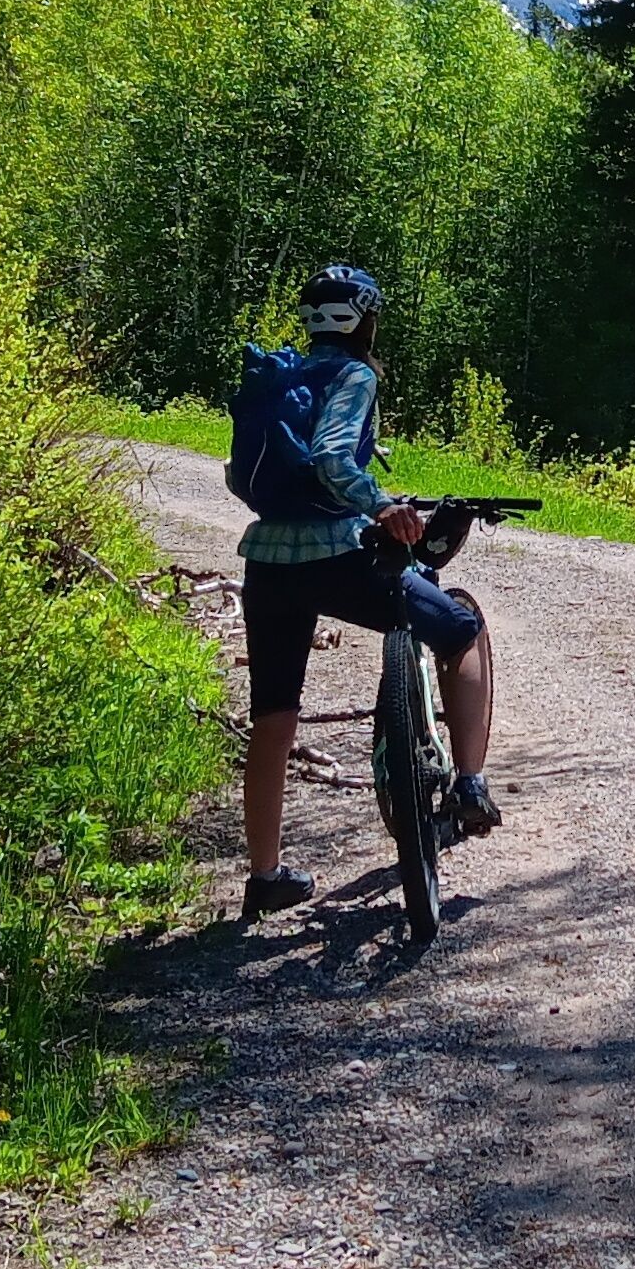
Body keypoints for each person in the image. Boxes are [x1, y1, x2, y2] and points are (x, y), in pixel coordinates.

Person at [232, 262, 503, 920]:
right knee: (461, 630)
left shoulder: (284, 376)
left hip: (267, 562)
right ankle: (470, 784)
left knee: (273, 715)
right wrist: (379, 505)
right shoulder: (353, 375)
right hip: (337, 559)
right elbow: (331, 457)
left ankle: (265, 877)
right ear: (365, 320)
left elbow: (248, 474)